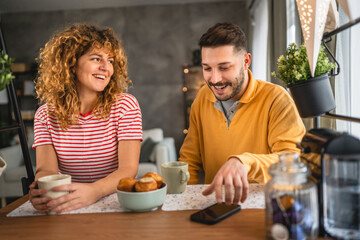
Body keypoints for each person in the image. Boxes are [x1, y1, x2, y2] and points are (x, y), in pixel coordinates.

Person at [179, 23, 305, 205]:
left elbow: (292, 160)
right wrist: (181, 202)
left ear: (246, 61)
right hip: (215, 206)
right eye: (207, 68)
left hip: (265, 208)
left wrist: (244, 162)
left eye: (224, 68)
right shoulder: (202, 97)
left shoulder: (276, 98)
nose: (215, 80)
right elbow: (189, 159)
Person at [29, 23, 142, 213]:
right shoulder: (44, 115)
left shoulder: (125, 106)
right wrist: (43, 188)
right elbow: (46, 170)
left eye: (111, 61)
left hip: (116, 202)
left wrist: (94, 191)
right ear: (72, 64)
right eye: (97, 59)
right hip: (69, 204)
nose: (106, 68)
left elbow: (128, 170)